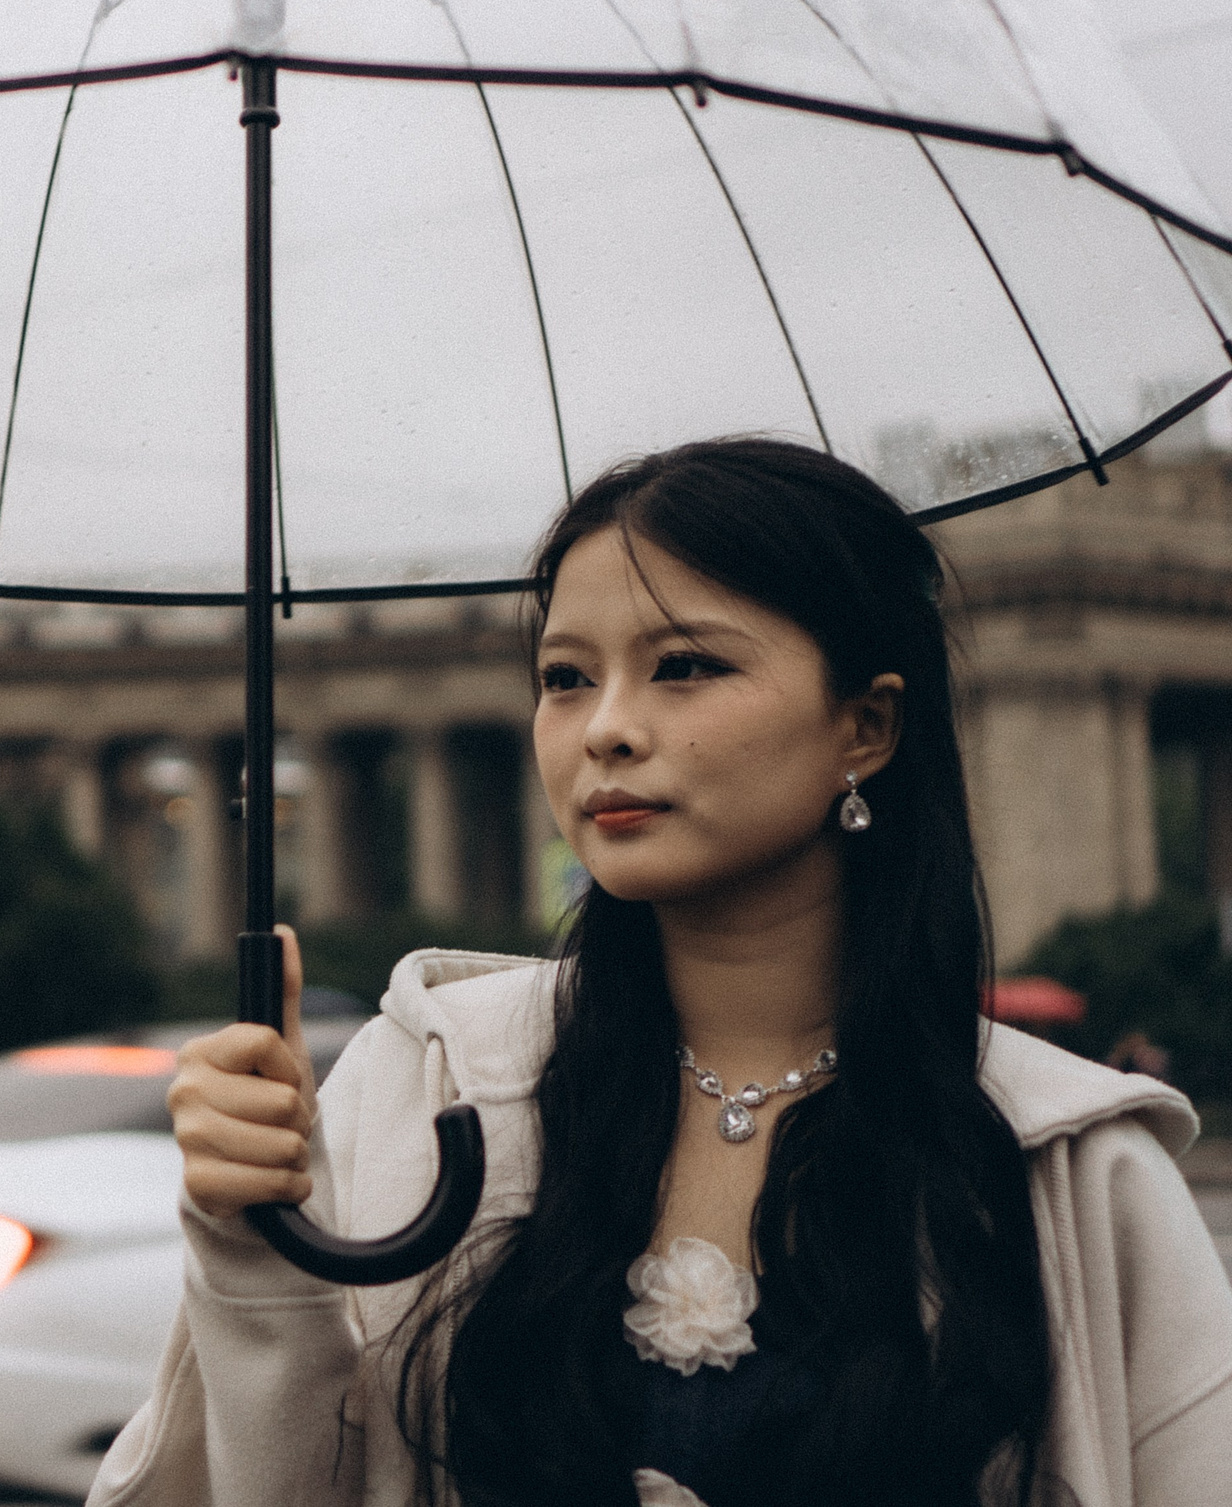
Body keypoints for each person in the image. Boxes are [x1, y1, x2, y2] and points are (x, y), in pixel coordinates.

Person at [93, 440, 1232, 1507]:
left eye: (682, 666)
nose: (606, 730)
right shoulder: (421, 1084)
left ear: (867, 725)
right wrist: (251, 1245)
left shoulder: (1073, 1171)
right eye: (564, 678)